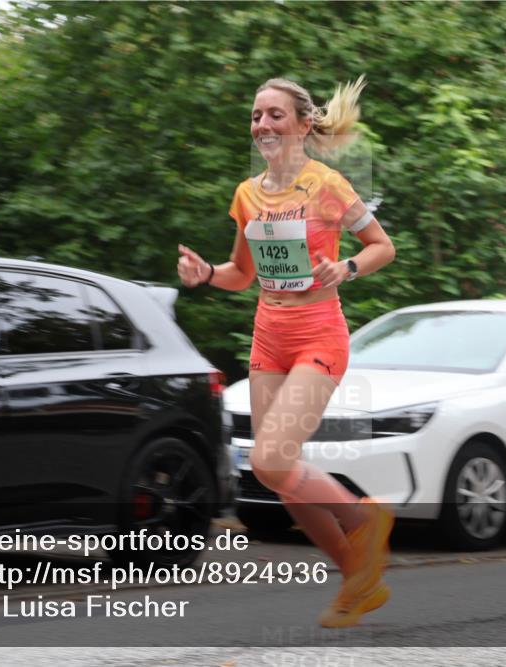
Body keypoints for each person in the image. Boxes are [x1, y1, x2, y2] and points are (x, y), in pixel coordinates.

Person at [177, 75, 396, 628]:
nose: (262, 125)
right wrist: (206, 274)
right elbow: (241, 274)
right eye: (256, 116)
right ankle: (356, 578)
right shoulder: (248, 194)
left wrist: (344, 267)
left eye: (274, 114)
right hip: (268, 336)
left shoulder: (328, 185)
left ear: (302, 124)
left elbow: (381, 248)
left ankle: (365, 523)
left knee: (272, 460)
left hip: (320, 335)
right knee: (277, 471)